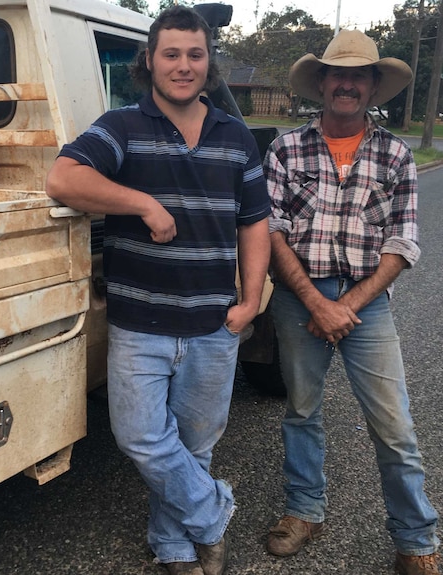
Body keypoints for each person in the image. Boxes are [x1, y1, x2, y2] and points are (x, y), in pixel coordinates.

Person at [45, 6, 270, 575]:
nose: (184, 65)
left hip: (214, 326)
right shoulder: (122, 126)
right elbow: (63, 178)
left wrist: (249, 300)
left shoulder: (235, 136)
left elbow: (254, 222)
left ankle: (174, 549)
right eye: (171, 53)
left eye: (195, 54)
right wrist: (141, 202)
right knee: (142, 439)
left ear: (209, 61)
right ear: (150, 60)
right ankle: (214, 513)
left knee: (193, 449)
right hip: (139, 325)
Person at [262, 30, 442, 575]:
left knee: (395, 427)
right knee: (301, 411)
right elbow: (270, 231)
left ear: (372, 86)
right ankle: (303, 510)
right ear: (321, 82)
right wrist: (316, 302)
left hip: (369, 305)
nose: (346, 83)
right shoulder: (285, 149)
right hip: (299, 300)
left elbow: (403, 242)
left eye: (358, 75)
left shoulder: (395, 153)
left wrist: (347, 305)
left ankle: (415, 541)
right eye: (337, 74)